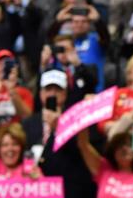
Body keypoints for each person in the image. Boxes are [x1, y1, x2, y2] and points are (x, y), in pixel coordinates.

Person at [22, 69, 96, 198]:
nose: (52, 93)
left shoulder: (77, 119)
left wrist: (59, 126)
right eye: (48, 89)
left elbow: (82, 151)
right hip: (36, 189)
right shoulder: (29, 123)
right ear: (40, 93)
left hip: (69, 189)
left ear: (65, 93)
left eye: (57, 89)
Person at [0, 73, 39, 187]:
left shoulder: (30, 169)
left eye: (14, 144)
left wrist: (37, 181)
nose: (10, 149)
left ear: (21, 147)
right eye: (4, 145)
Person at [77, 130, 133, 198]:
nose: (124, 148)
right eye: (119, 146)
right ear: (113, 153)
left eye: (128, 145)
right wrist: (84, 121)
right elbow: (83, 144)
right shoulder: (104, 169)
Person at [98, 52, 133, 137]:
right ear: (130, 70)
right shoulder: (117, 93)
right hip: (116, 137)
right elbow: (102, 124)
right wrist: (122, 126)